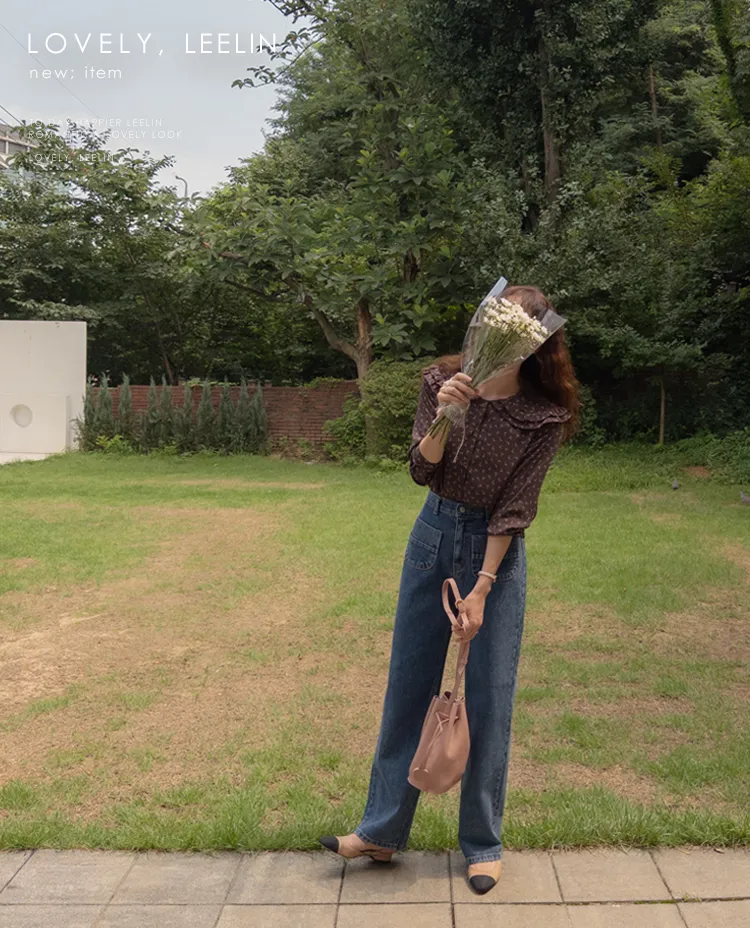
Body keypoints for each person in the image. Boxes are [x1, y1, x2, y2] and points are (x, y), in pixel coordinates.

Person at [320, 285, 581, 894]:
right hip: (432, 535)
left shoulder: (543, 415)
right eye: (494, 325)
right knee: (407, 686)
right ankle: (381, 831)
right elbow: (422, 469)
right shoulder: (441, 381)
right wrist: (446, 414)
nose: (501, 338)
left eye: (517, 332)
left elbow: (515, 509)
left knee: (490, 697)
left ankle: (483, 843)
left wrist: (483, 589)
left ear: (535, 343)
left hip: (495, 555)